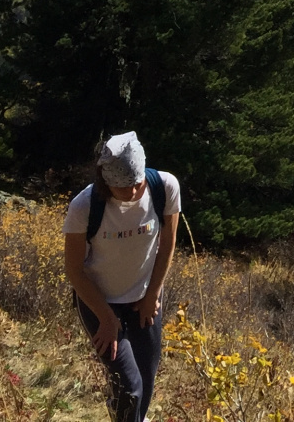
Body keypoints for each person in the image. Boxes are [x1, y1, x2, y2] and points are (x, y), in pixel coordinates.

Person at [63, 132, 181, 422]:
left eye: (136, 184)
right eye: (122, 187)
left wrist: (153, 294)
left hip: (144, 295)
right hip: (99, 300)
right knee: (129, 388)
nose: (131, 193)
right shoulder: (84, 207)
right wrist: (105, 317)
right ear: (106, 183)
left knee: (146, 381)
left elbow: (167, 245)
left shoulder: (165, 187)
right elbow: (74, 271)